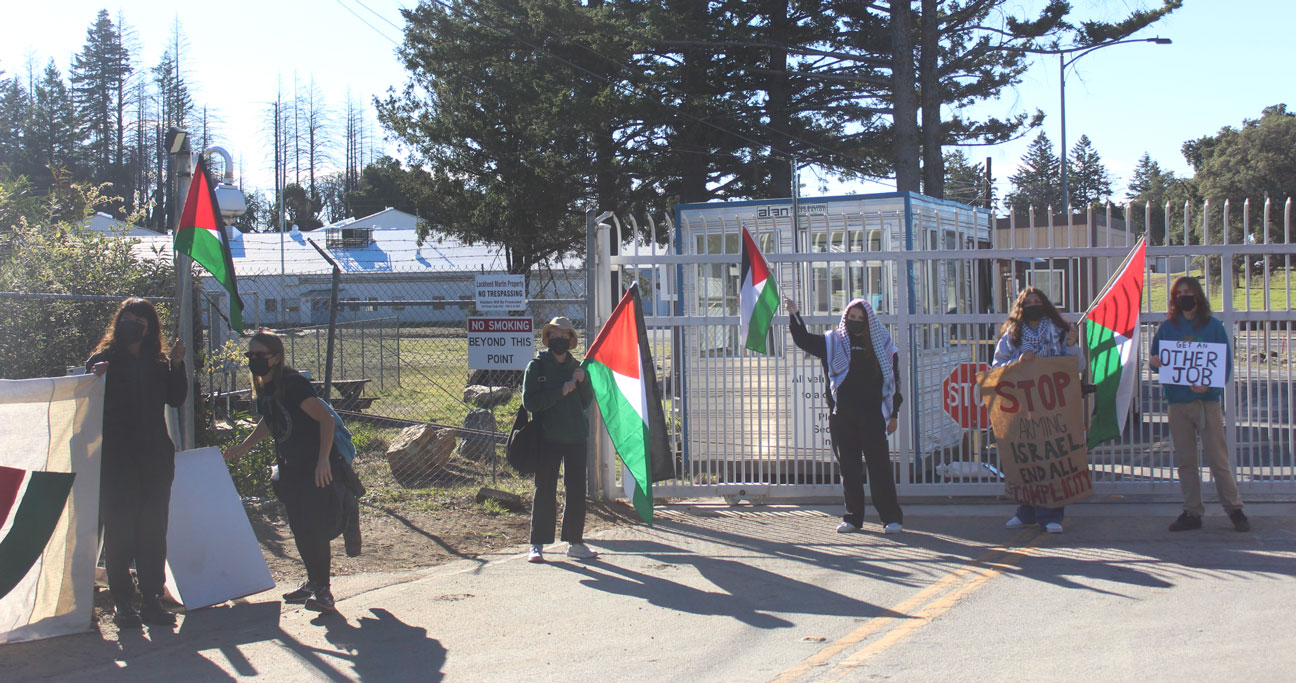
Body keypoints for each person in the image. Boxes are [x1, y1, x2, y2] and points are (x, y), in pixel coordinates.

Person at [223, 331, 361, 613]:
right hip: (291, 467)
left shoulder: (294, 384)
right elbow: (270, 420)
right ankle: (313, 581)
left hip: (317, 466)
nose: (254, 360)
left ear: (276, 357)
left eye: (260, 355)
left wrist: (323, 460)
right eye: (250, 355)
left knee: (315, 527)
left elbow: (325, 420)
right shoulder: (265, 386)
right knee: (299, 527)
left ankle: (324, 590)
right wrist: (243, 448)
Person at [86, 298, 186, 629]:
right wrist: (94, 377)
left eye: (138, 321)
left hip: (155, 458)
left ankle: (152, 599)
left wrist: (178, 364)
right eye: (126, 319)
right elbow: (87, 400)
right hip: (117, 461)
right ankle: (123, 603)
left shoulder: (157, 364)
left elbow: (176, 397)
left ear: (149, 328)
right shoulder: (103, 362)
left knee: (152, 531)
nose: (131, 325)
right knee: (120, 532)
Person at [786, 297, 904, 534]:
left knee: (879, 467)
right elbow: (804, 341)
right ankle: (853, 518)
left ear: (869, 320)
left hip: (873, 416)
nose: (856, 322)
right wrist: (795, 315)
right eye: (852, 318)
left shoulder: (884, 346)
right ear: (846, 318)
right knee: (849, 469)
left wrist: (894, 415)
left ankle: (891, 518)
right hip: (842, 417)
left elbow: (894, 384)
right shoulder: (833, 343)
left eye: (861, 319)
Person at [1149, 276, 1249, 532]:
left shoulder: (1213, 327)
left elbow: (1223, 363)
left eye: (1189, 291)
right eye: (1179, 292)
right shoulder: (1168, 327)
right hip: (1178, 402)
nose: (1184, 296)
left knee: (1218, 459)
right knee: (1186, 461)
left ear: (1198, 295)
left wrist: (1210, 386)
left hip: (1207, 403)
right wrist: (1155, 361)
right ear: (1175, 298)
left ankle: (1235, 509)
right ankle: (1192, 512)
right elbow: (1154, 357)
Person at [991, 287, 1080, 534]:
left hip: (1053, 408)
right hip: (1023, 409)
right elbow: (996, 368)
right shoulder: (1011, 336)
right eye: (1027, 301)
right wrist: (1016, 363)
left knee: (1051, 460)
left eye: (1037, 300)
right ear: (1020, 306)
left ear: (1046, 304)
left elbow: (1077, 365)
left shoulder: (1060, 331)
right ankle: (1026, 511)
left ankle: (1052, 514)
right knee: (1027, 461)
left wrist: (1072, 345)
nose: (1032, 304)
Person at [523, 316, 597, 562]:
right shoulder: (537, 366)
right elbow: (530, 402)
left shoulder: (577, 368)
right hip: (547, 437)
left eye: (564, 336)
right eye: (554, 335)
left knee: (576, 491)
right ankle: (537, 543)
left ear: (571, 339)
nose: (559, 340)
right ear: (548, 339)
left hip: (576, 437)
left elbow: (586, 401)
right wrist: (559, 392)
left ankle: (575, 542)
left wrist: (583, 383)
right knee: (545, 489)